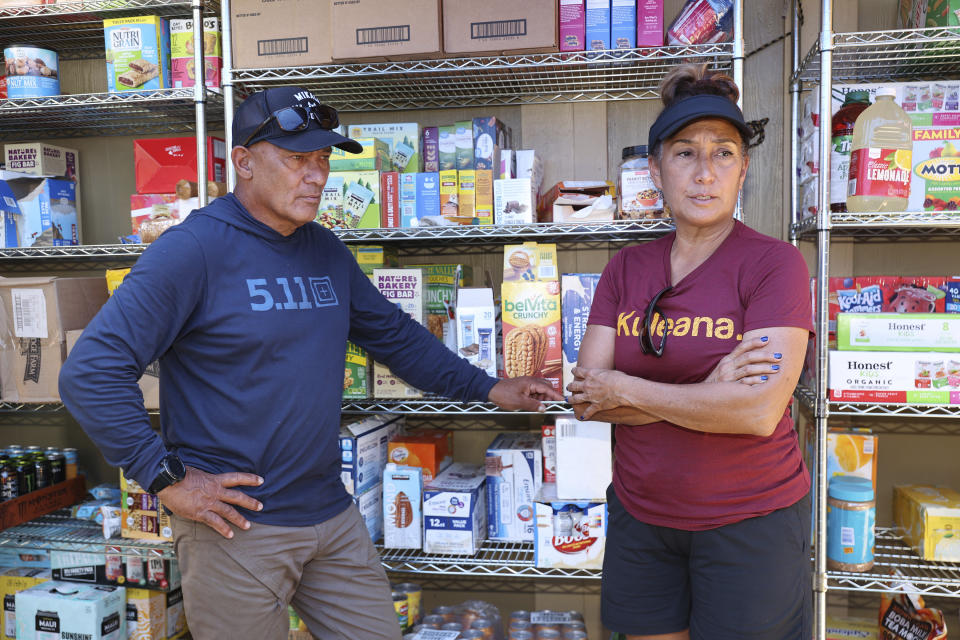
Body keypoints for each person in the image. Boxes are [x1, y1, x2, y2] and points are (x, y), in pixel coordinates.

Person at [59, 86, 562, 640]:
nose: (317, 175)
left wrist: (490, 388)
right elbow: (91, 372)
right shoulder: (193, 250)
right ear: (244, 163)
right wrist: (165, 476)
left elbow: (393, 336)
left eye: (322, 159)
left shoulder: (323, 248)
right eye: (297, 158)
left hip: (329, 511)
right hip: (236, 526)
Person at [566, 64, 813, 640]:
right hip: (642, 519)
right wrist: (711, 389)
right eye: (684, 154)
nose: (704, 174)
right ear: (655, 170)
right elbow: (585, 399)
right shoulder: (626, 268)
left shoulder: (775, 265)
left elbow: (755, 412)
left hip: (749, 523)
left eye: (723, 153)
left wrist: (624, 388)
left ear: (743, 168)